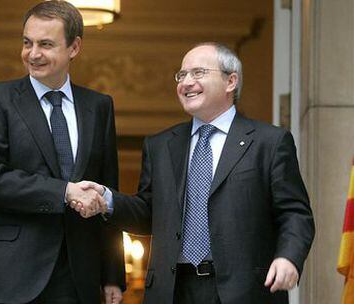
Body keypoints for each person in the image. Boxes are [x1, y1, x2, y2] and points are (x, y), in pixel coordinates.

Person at [74, 42, 315, 304]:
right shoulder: (160, 145)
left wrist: (288, 257)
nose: (186, 82)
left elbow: (295, 213)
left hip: (245, 291)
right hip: (173, 290)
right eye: (181, 75)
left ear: (230, 81)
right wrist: (106, 200)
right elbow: (148, 213)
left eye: (198, 73)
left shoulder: (270, 141)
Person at [0, 1, 125, 303]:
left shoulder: (99, 106)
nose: (33, 54)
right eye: (27, 43)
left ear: (74, 47)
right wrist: (65, 191)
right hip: (11, 274)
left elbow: (108, 192)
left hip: (79, 276)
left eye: (46, 44)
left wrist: (112, 276)